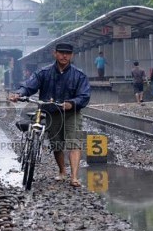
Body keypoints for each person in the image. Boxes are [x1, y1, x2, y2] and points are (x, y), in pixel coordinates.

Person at [9, 43, 91, 188]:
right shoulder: (44, 73)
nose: (64, 56)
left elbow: (84, 96)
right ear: (55, 54)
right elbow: (29, 85)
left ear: (72, 55)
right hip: (52, 113)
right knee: (56, 145)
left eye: (67, 53)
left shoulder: (79, 75)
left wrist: (72, 103)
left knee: (74, 143)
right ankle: (62, 171)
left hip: (72, 113)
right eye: (61, 53)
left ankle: (74, 177)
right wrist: (19, 94)